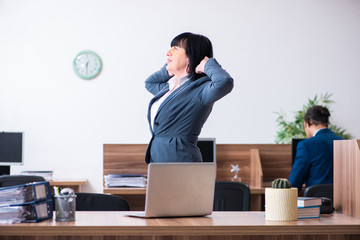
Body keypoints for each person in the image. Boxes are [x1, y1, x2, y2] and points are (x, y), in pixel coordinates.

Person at [144, 32, 233, 163]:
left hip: (181, 160)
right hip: (159, 160)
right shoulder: (169, 88)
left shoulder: (200, 90)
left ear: (191, 55)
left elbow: (224, 82)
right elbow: (150, 83)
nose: (168, 53)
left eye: (175, 48)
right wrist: (169, 70)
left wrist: (207, 64)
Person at [288, 105, 344, 191]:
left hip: (316, 202)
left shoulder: (306, 145)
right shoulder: (344, 142)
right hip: (345, 200)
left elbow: (294, 184)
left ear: (308, 122)